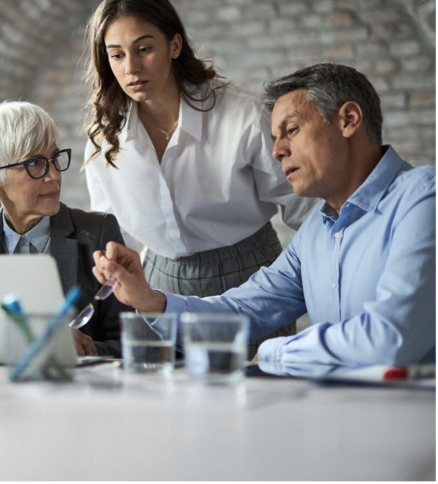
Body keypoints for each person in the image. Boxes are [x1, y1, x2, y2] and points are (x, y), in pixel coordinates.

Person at [92, 63, 436, 366]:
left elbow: (392, 337)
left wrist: (276, 353)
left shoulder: (423, 198)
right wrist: (150, 301)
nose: (277, 151)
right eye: (274, 137)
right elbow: (240, 311)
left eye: (291, 130)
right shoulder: (316, 230)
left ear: (348, 120)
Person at [83, 0, 317, 358]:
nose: (131, 68)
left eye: (144, 49)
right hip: (158, 285)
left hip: (248, 278)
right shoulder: (104, 139)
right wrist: (110, 260)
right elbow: (113, 233)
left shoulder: (242, 114)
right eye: (116, 55)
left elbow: (307, 209)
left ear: (175, 45)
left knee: (254, 390)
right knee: (167, 393)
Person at [0, 101, 131, 357]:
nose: (54, 175)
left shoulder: (97, 232)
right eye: (34, 163)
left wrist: (86, 348)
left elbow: (129, 341)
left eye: (55, 158)